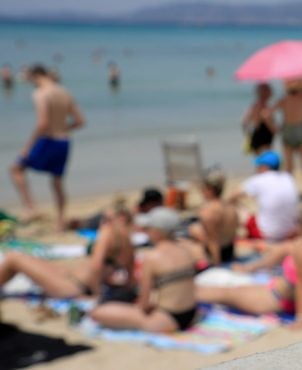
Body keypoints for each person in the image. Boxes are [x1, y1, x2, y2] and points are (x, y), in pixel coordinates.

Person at [197, 208, 302, 329]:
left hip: (277, 300)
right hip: (276, 291)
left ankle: (182, 295)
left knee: (223, 294)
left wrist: (301, 318)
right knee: (232, 290)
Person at [90, 207, 199, 332]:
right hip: (192, 314)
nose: (146, 232)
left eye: (149, 229)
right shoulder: (187, 251)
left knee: (98, 313)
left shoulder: (152, 257)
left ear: (158, 231)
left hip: (167, 320)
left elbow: (144, 305)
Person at [0, 203, 135, 302]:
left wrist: (96, 295)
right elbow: (128, 275)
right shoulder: (128, 241)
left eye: (106, 218)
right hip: (73, 280)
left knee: (13, 258)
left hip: (73, 287)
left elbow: (96, 265)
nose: (103, 221)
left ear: (120, 217)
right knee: (29, 260)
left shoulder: (108, 232)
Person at [10, 64, 85, 228]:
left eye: (30, 79)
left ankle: (30, 208)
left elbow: (42, 123)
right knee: (57, 182)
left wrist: (28, 146)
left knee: (16, 169)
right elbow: (80, 121)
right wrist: (63, 127)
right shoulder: (64, 91)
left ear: (35, 76)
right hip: (64, 141)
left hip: (48, 139)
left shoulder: (40, 93)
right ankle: (60, 220)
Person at [231, 151, 299, 242]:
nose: (256, 169)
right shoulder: (288, 178)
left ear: (264, 167)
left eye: (258, 166)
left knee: (238, 208)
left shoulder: (259, 179)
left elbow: (232, 196)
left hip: (267, 234)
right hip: (290, 232)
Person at [274, 78, 302, 203]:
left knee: (289, 167)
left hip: (288, 130)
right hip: (301, 130)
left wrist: (276, 128)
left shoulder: (283, 100)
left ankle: (289, 195)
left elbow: (266, 113)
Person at [188, 168, 239, 265]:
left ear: (209, 189)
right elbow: (232, 236)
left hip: (216, 255)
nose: (201, 191)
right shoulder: (231, 207)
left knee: (191, 235)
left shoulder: (208, 211)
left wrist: (217, 265)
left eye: (202, 188)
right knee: (195, 229)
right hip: (229, 251)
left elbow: (213, 240)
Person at [241, 83, 277, 155]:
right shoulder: (266, 108)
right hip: (264, 135)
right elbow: (272, 128)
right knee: (266, 160)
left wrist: (248, 134)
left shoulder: (253, 106)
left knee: (260, 161)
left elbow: (244, 122)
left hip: (256, 134)